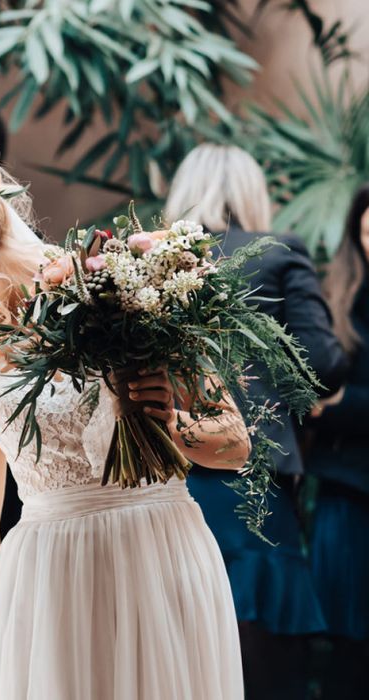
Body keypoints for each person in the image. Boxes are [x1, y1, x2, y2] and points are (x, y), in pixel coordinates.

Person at [0, 132, 252, 700]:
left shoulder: (130, 290)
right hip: (51, 588)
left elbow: (235, 444)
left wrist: (172, 427)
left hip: (161, 564)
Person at [165, 143, 348, 700]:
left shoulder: (150, 263)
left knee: (180, 640)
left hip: (166, 468)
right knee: (260, 653)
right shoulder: (278, 253)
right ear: (252, 193)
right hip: (253, 475)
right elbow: (322, 362)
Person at [307, 184, 369, 699]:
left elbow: (330, 403)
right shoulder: (337, 303)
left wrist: (344, 406)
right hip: (343, 498)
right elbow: (309, 399)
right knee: (342, 656)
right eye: (368, 232)